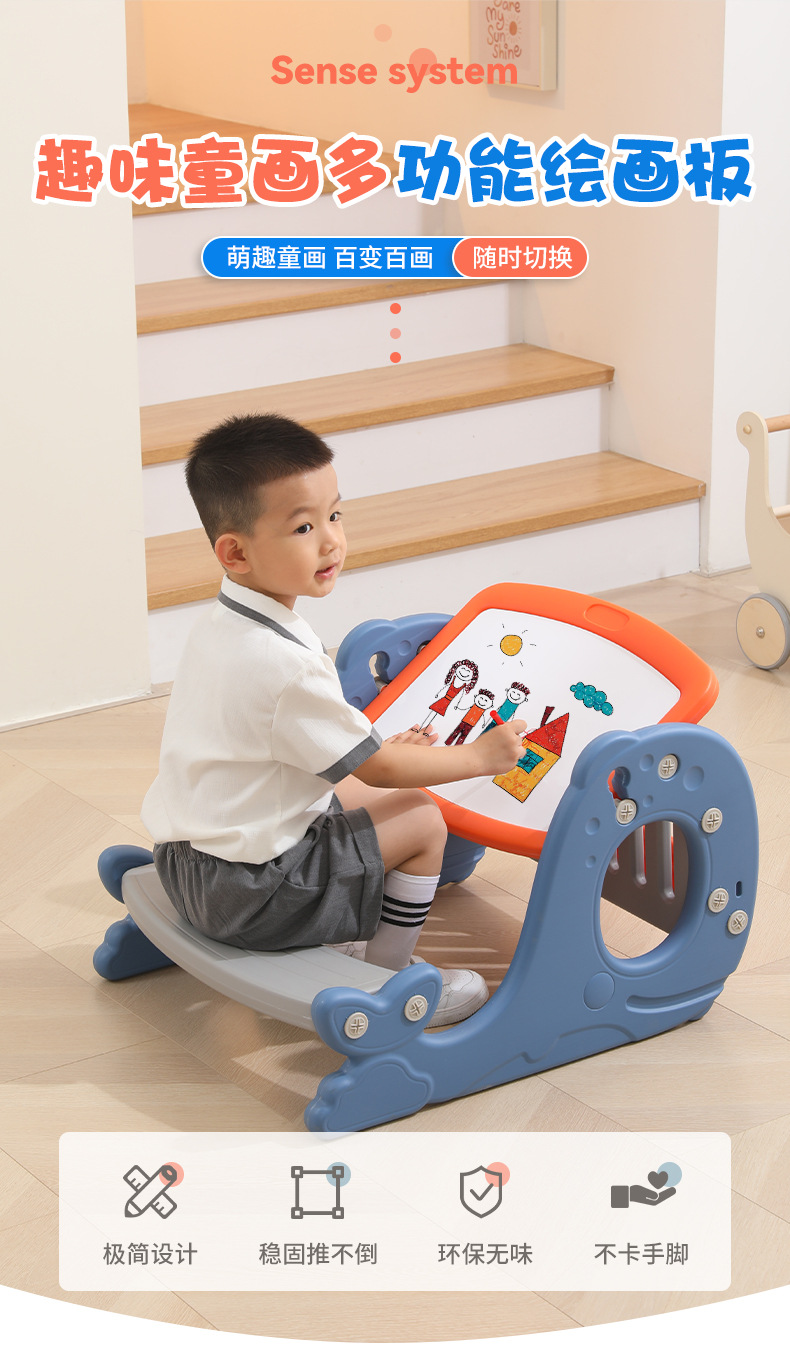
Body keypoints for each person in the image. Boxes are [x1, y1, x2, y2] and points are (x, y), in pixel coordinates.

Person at [141, 413, 526, 1027]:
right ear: (236, 551)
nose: (330, 542)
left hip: (185, 862)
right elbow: (382, 770)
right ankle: (388, 977)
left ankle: (356, 938)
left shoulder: (220, 625)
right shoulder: (286, 663)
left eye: (335, 515)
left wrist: (372, 751)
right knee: (422, 818)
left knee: (361, 793)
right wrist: (479, 757)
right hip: (250, 897)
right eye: (303, 526)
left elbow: (296, 746)